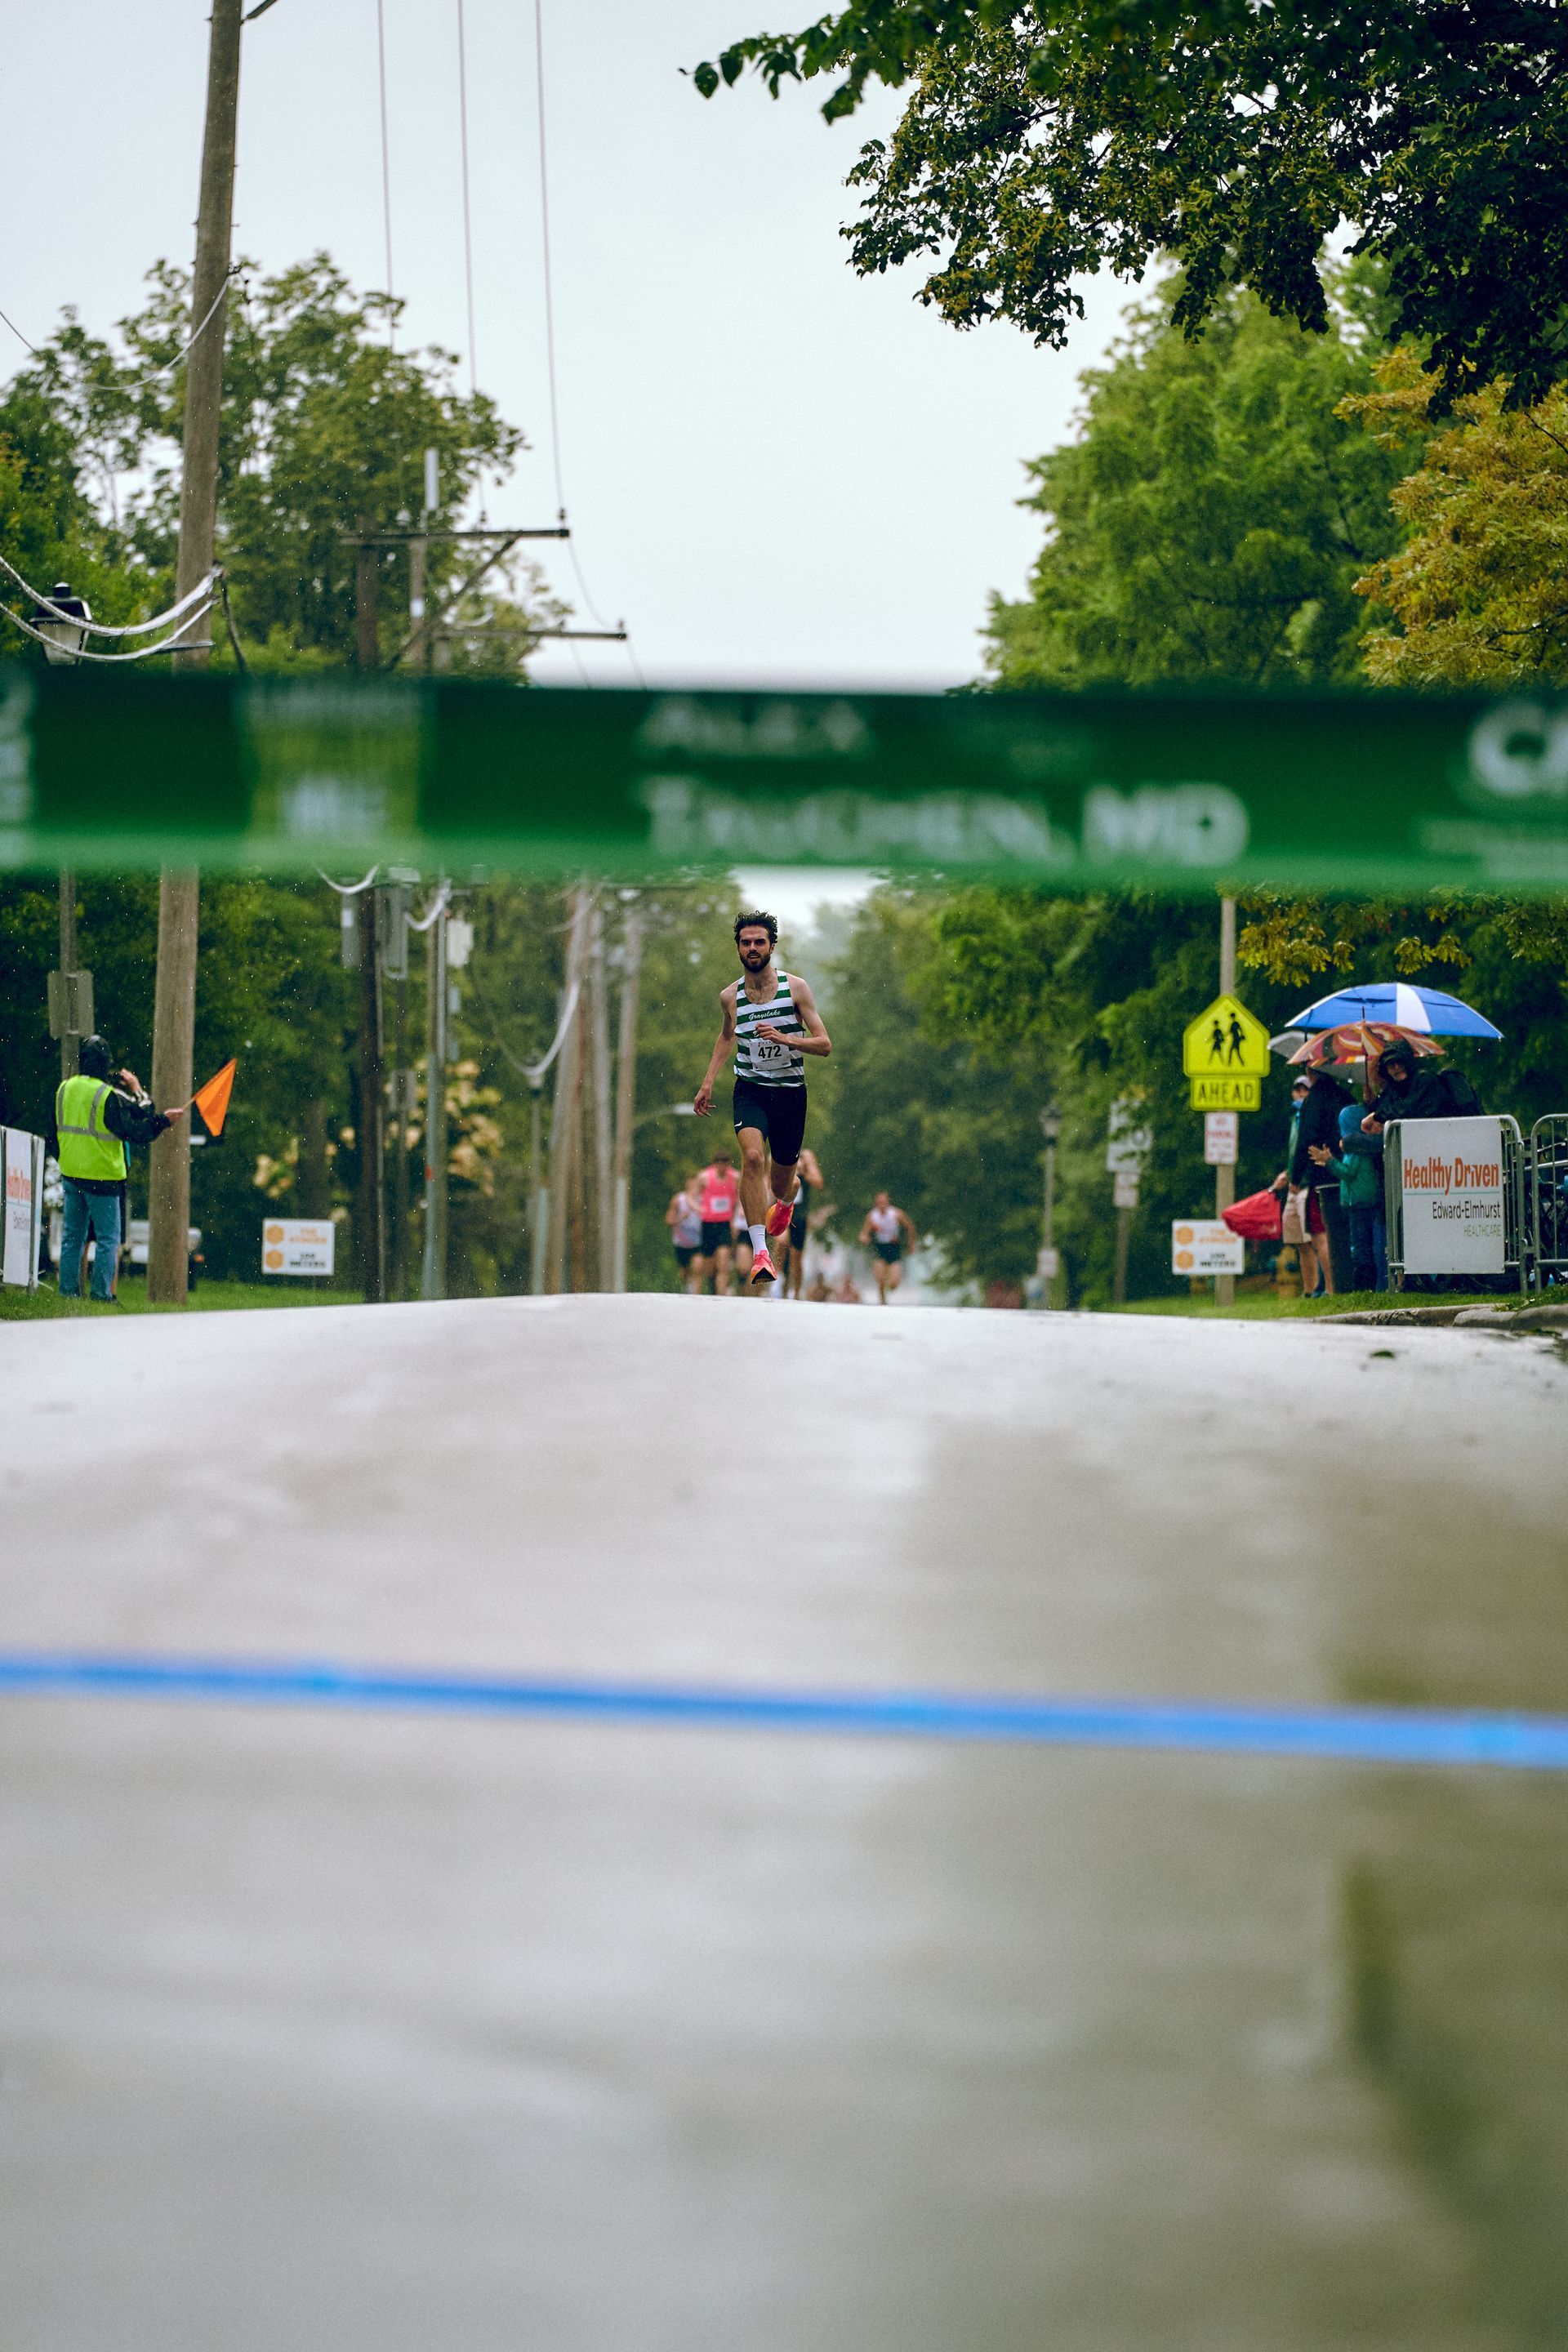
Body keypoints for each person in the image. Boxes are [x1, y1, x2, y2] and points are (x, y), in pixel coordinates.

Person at [693, 910, 831, 1287]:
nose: (752, 948)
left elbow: (824, 1044)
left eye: (759, 942)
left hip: (790, 1095)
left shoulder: (796, 989)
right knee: (752, 1158)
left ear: (772, 945)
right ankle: (760, 1254)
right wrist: (707, 1082)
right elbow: (726, 1037)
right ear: (738, 948)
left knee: (782, 1180)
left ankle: (788, 1198)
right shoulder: (730, 996)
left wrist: (787, 1038)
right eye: (745, 943)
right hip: (750, 1089)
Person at [53, 1036, 184, 1303]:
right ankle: (101, 1294)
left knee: (72, 1238)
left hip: (71, 1173)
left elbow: (51, 1132)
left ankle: (68, 1293)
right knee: (107, 1239)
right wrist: (162, 1122)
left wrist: (67, 1157)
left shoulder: (64, 1089)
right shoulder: (106, 1095)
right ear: (105, 1064)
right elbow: (134, 1129)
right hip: (103, 1177)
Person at [1311, 1104, 1388, 1291]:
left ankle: (1364, 1284)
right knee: (1370, 1244)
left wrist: (1329, 1161)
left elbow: (1347, 1173)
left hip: (1359, 1204)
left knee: (1361, 1246)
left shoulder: (1355, 1151)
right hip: (1368, 1202)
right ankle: (1373, 1282)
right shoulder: (1366, 1148)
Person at [1272, 1073, 1331, 1297]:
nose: (1300, 1093)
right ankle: (1309, 1290)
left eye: (1304, 1090)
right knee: (1299, 1241)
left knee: (1315, 1237)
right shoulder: (1294, 1118)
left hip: (1307, 1184)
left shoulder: (1310, 1115)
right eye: (1297, 1089)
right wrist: (1288, 1174)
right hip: (1294, 1184)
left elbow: (1307, 1149)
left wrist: (1298, 1176)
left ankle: (1324, 1288)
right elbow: (1294, 1152)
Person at [694, 1149, 741, 1296]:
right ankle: (712, 1290)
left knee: (723, 1262)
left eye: (725, 1164)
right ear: (714, 1164)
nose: (722, 1167)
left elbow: (740, 1196)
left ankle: (721, 1297)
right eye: (719, 1164)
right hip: (708, 1224)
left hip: (724, 1224)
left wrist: (737, 1214)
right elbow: (692, 1196)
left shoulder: (735, 1177)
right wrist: (699, 1208)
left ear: (728, 1164)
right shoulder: (704, 1177)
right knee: (709, 1267)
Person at [783, 1144, 826, 1301]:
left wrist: (804, 1172)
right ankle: (780, 1282)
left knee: (796, 1257)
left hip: (799, 1215)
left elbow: (819, 1183)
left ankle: (796, 1291)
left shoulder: (806, 1157)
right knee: (781, 1242)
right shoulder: (782, 1149)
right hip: (781, 1210)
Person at [860, 1192, 917, 1304]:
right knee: (880, 1280)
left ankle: (890, 1286)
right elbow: (864, 1233)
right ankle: (883, 1302)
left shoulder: (896, 1214)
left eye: (883, 1202)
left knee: (894, 1283)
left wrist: (911, 1244)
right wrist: (864, 1238)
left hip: (894, 1248)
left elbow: (910, 1227)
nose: (881, 1205)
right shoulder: (872, 1216)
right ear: (876, 1203)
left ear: (887, 1202)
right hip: (879, 1247)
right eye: (879, 1203)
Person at [666, 1172, 705, 1294]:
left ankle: (696, 1296)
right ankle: (686, 1288)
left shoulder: (704, 1199)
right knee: (684, 1273)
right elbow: (668, 1220)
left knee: (697, 1268)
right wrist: (681, 1218)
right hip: (681, 1242)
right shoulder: (678, 1200)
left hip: (698, 1241)